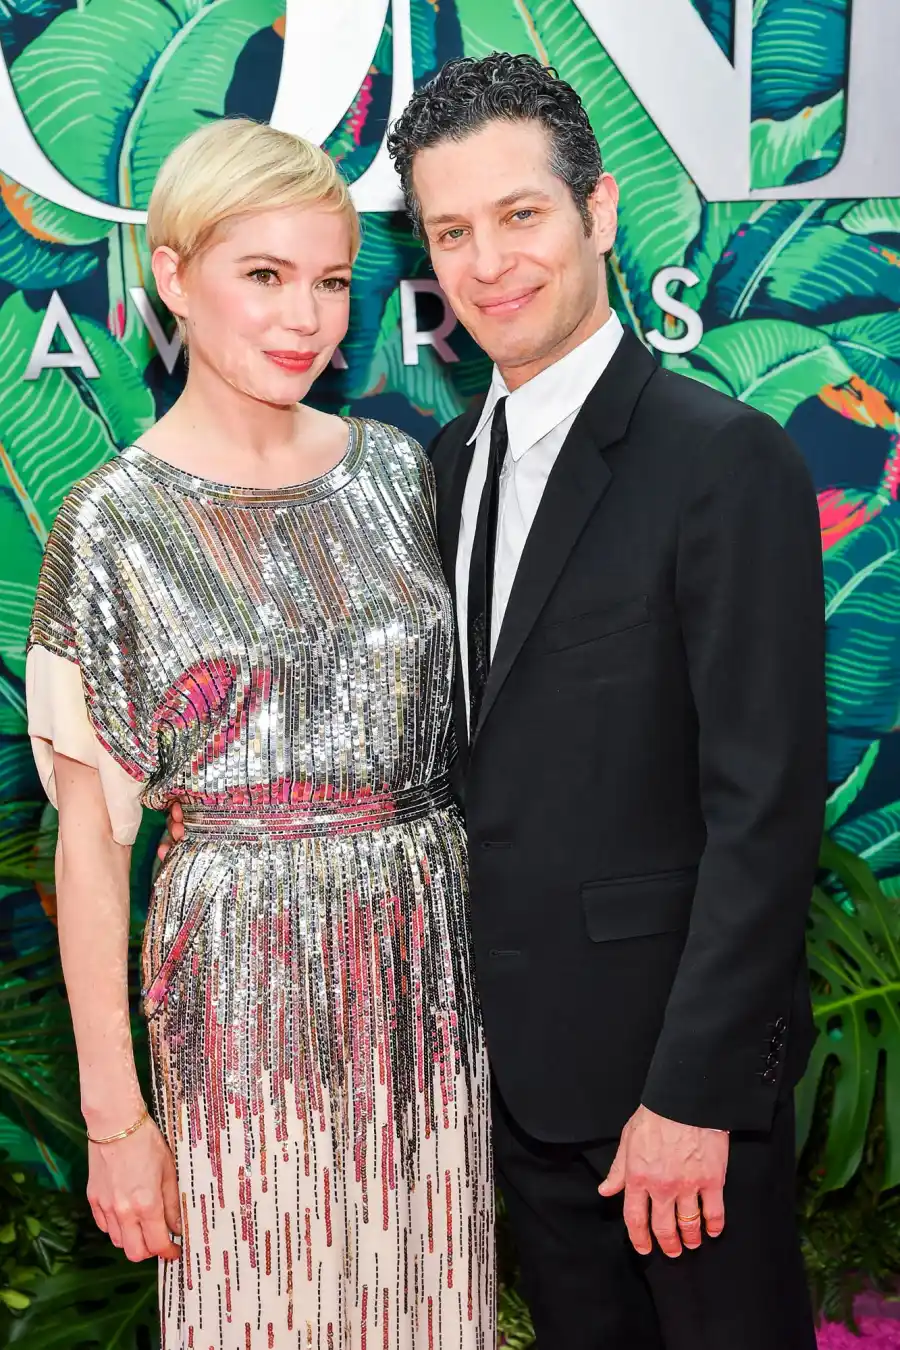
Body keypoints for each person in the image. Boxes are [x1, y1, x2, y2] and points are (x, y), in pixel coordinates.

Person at [26, 117, 494, 1349]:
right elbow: (87, 849)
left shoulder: (402, 475)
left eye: (332, 281)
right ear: (173, 276)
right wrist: (118, 1119)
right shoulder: (113, 525)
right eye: (265, 276)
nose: (307, 319)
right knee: (265, 1305)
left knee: (428, 1303)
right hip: (237, 994)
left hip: (427, 981)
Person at [384, 52, 826, 1350]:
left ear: (600, 212)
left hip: (672, 1105)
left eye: (520, 214)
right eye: (451, 231)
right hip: (519, 1089)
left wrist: (695, 1096)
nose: (488, 262)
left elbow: (765, 806)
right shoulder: (447, 468)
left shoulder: (721, 459)